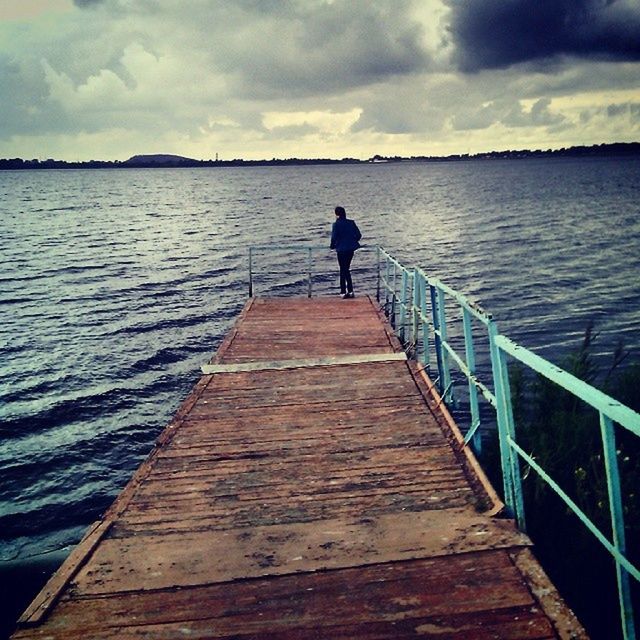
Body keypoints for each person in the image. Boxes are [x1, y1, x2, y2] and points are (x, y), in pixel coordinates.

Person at [330, 206, 361, 298]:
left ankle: (343, 291)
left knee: (343, 270)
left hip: (341, 249)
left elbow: (334, 237)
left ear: (336, 214)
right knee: (346, 269)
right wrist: (353, 241)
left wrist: (332, 246)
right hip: (350, 249)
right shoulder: (351, 223)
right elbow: (359, 235)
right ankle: (350, 291)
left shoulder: (336, 224)